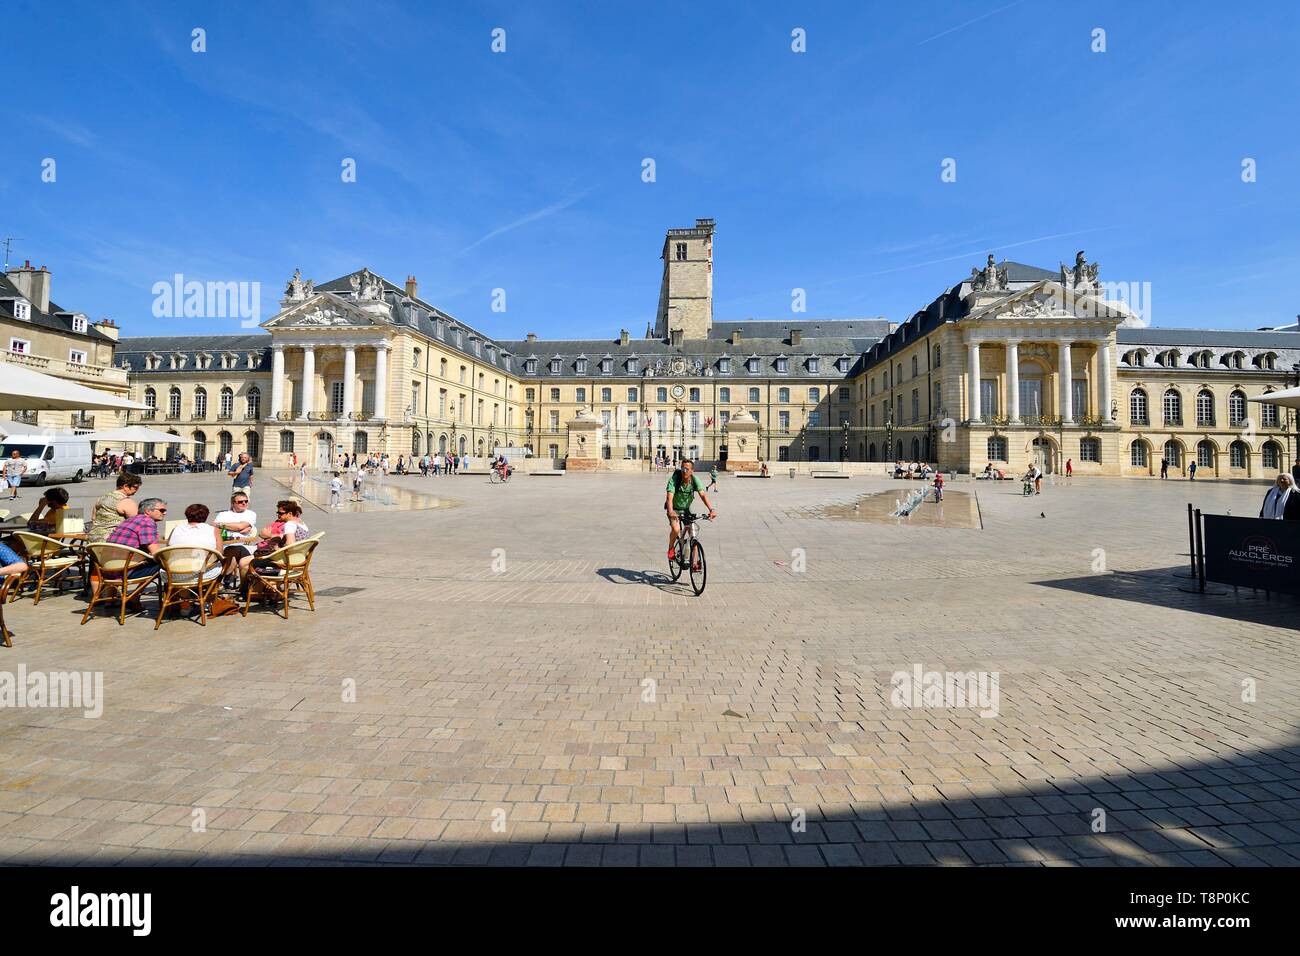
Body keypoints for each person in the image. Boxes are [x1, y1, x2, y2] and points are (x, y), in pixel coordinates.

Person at [239, 500, 310, 590]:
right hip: (298, 559)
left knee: (244, 562)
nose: (278, 515)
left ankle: (244, 590)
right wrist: (273, 537)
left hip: (284, 561)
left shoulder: (289, 524)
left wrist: (278, 549)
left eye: (281, 513)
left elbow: (290, 544)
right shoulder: (301, 523)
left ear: (290, 514)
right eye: (277, 513)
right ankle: (251, 589)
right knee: (246, 561)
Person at [665, 459, 715, 571]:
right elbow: (669, 497)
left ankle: (694, 563)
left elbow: (703, 495)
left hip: (686, 509)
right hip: (674, 509)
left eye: (687, 469)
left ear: (692, 471)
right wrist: (671, 511)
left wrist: (711, 509)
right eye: (682, 468)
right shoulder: (675, 479)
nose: (684, 471)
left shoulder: (694, 480)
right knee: (676, 529)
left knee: (693, 535)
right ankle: (671, 548)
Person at [104, 497, 168, 582]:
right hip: (126, 571)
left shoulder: (129, 520)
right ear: (148, 511)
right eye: (162, 510)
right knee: (166, 562)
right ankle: (175, 589)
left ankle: (137, 591)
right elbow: (156, 553)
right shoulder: (147, 522)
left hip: (108, 569)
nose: (165, 513)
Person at [165, 504, 224, 586]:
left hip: (174, 574)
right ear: (206, 516)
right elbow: (220, 553)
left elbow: (168, 549)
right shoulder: (214, 530)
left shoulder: (176, 529)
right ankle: (214, 589)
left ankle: (179, 591)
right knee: (223, 560)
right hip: (202, 574)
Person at [213, 492, 258, 590]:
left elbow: (240, 527)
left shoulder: (250, 513)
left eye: (246, 501)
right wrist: (238, 527)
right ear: (233, 503)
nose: (244, 503)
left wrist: (222, 525)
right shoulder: (223, 514)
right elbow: (215, 526)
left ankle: (223, 581)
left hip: (242, 544)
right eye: (240, 502)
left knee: (234, 550)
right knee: (231, 551)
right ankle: (227, 582)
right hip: (223, 544)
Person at [87, 472, 143, 544]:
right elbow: (138, 524)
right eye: (135, 487)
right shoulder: (126, 502)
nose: (137, 490)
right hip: (112, 542)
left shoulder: (101, 498)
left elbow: (93, 519)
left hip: (92, 540)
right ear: (125, 486)